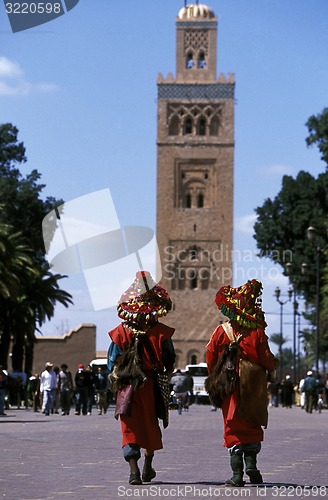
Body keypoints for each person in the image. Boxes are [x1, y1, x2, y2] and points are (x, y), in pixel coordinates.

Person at [206, 279, 278, 487]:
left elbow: (210, 356)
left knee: (233, 425)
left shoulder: (221, 331)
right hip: (253, 385)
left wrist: (216, 377)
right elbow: (266, 359)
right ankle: (251, 465)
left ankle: (237, 475)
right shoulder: (257, 332)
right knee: (253, 421)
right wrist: (272, 365)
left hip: (230, 385)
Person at [108, 270, 176, 485]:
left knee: (129, 426)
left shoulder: (120, 332)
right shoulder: (161, 332)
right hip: (151, 385)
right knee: (150, 424)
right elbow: (169, 361)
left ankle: (134, 471)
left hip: (126, 387)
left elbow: (112, 362)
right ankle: (148, 466)